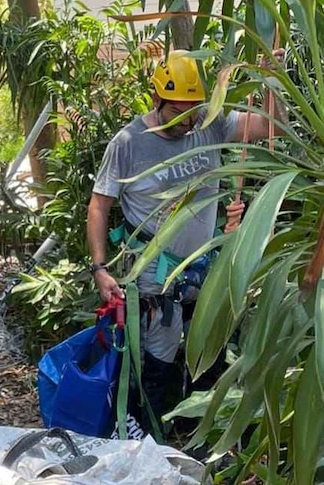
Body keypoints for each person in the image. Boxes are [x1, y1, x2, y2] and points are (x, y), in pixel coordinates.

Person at [86, 49, 286, 430]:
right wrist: (99, 268)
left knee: (208, 352)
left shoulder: (211, 123)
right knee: (157, 360)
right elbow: (99, 207)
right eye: (177, 111)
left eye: (192, 110)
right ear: (156, 99)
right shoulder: (129, 143)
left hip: (205, 267)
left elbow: (273, 127)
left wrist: (271, 80)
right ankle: (145, 434)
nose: (186, 121)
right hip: (154, 275)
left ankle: (197, 432)